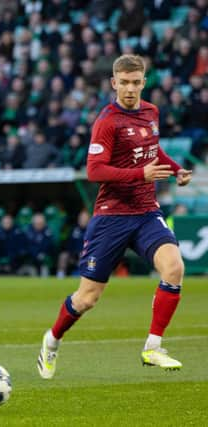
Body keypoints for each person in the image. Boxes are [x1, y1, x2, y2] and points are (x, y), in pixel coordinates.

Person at [37, 55, 193, 379]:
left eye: (136, 82)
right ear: (114, 83)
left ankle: (153, 346)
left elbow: (152, 150)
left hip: (146, 212)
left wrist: (175, 170)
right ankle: (52, 340)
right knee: (87, 298)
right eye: (124, 83)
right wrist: (141, 174)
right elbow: (94, 170)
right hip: (111, 216)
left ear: (144, 82)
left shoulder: (152, 112)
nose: (130, 89)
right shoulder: (107, 122)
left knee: (174, 267)